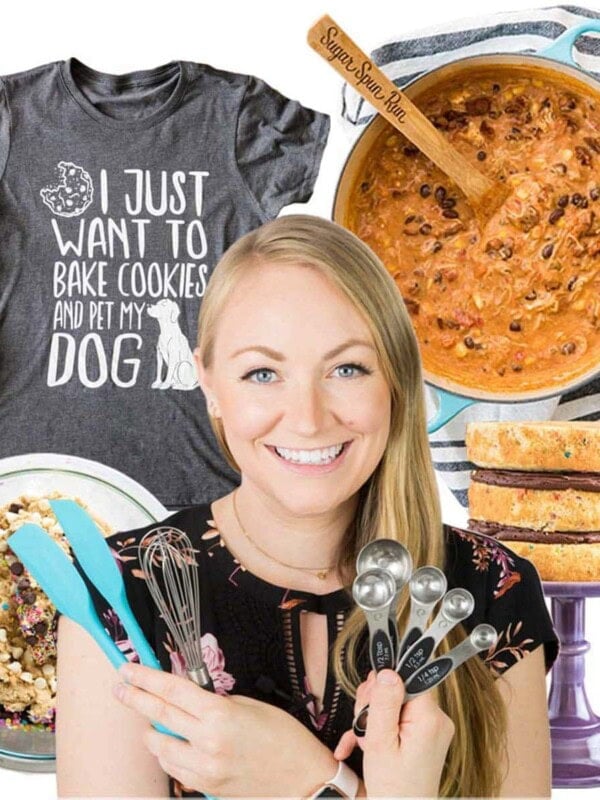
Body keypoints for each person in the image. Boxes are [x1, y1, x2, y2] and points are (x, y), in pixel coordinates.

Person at [56, 215, 558, 798]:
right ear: (209, 384)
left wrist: (314, 782)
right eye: (262, 373)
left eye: (347, 369)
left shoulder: (491, 588)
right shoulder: (119, 591)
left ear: (396, 380)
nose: (308, 418)